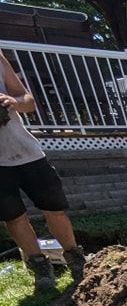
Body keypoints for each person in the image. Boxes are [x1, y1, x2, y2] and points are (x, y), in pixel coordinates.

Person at [0, 52, 84, 290]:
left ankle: (74, 257)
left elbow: (28, 101)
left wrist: (14, 102)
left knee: (54, 208)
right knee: (14, 217)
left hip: (28, 152)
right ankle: (40, 266)